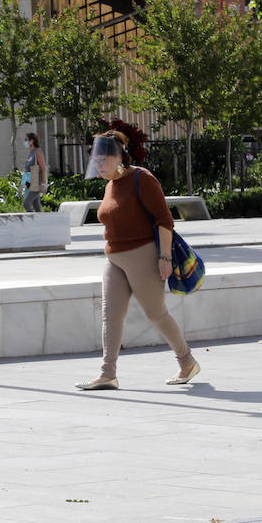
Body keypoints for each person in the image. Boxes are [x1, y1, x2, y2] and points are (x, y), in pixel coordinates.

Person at [75, 129, 200, 391]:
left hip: (143, 256)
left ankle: (187, 362)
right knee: (110, 315)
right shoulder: (110, 185)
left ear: (118, 157)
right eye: (94, 161)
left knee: (155, 313)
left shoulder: (142, 179)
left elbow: (164, 220)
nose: (97, 165)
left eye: (101, 160)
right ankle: (107, 373)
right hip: (114, 259)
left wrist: (164, 257)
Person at [21, 132, 48, 212]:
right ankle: (40, 222)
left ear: (31, 141)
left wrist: (43, 183)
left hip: (36, 183)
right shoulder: (31, 153)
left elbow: (43, 168)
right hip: (30, 183)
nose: (24, 142)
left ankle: (32, 222)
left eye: (26, 140)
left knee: (26, 204)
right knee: (37, 206)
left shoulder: (38, 152)